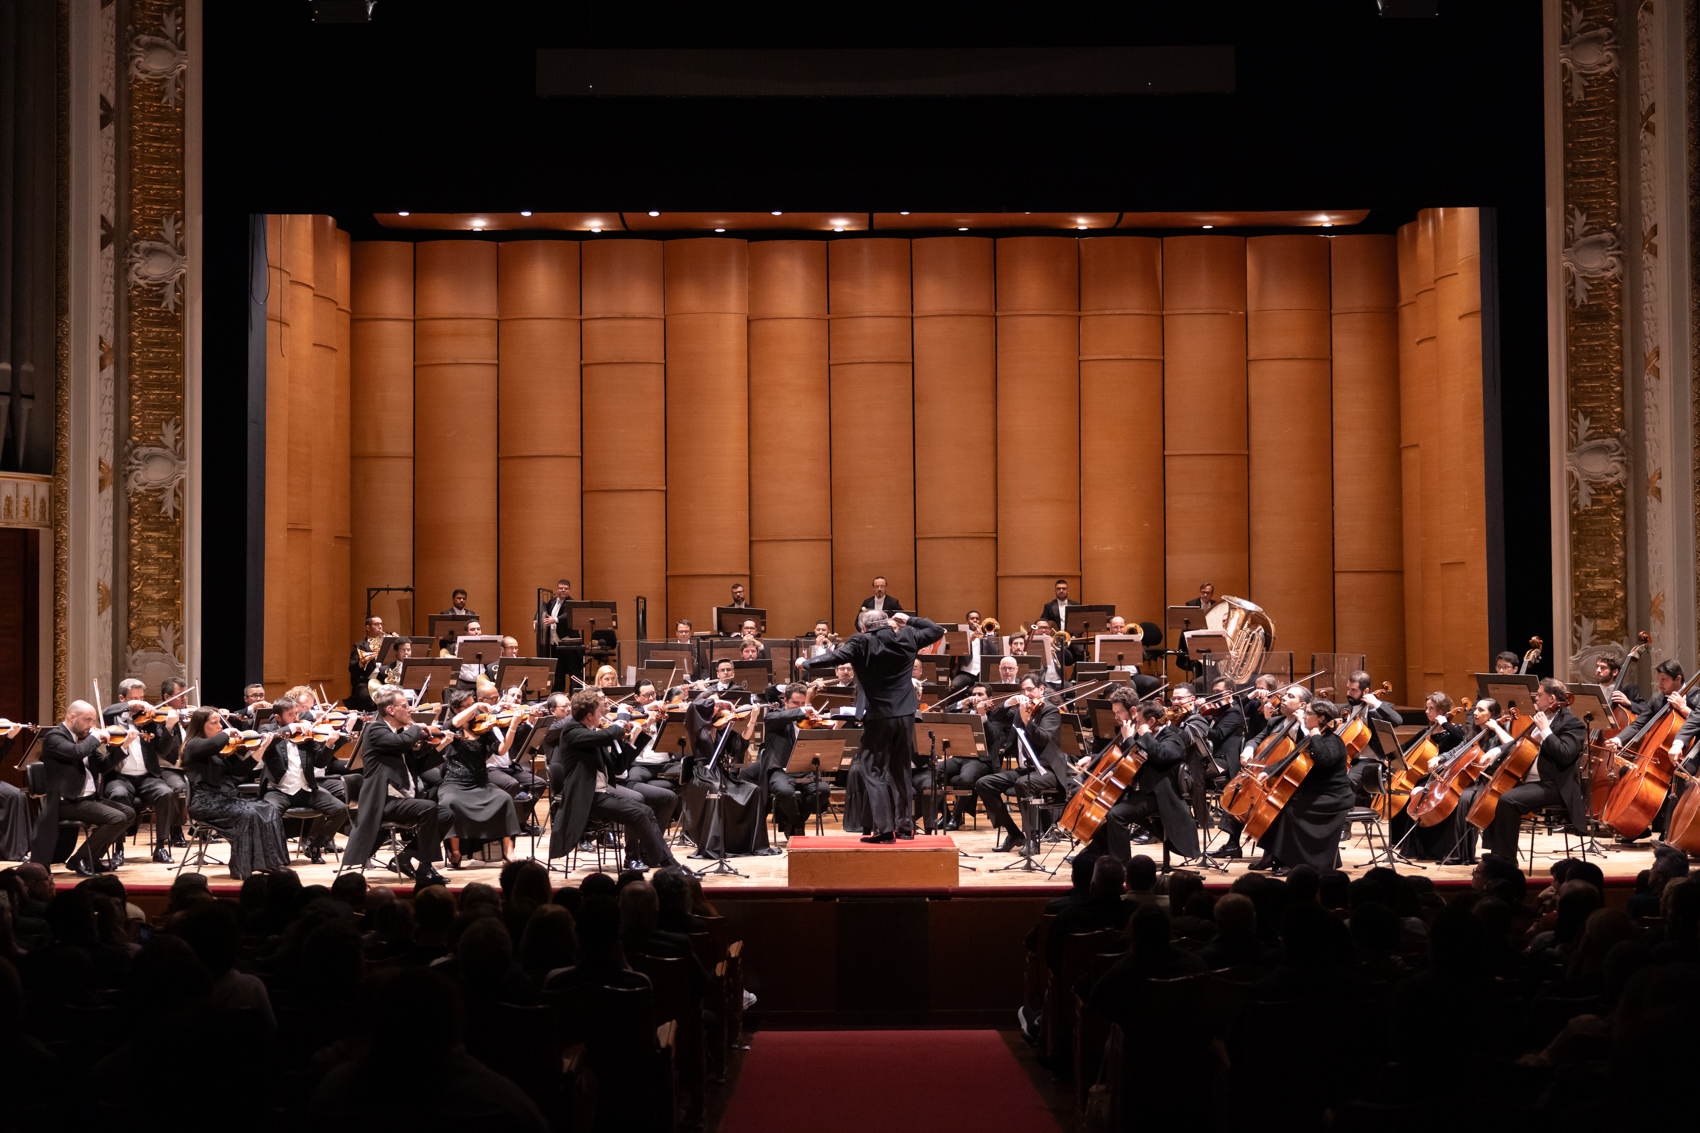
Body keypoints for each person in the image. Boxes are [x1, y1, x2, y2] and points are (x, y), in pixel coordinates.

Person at [797, 607, 943, 842]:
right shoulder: (908, 635)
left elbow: (836, 657)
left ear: (864, 628)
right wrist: (910, 620)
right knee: (901, 770)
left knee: (873, 770)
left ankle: (885, 830)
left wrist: (806, 664)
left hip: (878, 715)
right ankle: (906, 828)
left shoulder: (861, 641)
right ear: (887, 622)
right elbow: (936, 630)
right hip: (906, 714)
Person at [546, 689, 679, 869]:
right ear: (590, 715)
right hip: (586, 799)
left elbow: (618, 767)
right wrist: (618, 724)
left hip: (602, 794)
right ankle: (667, 864)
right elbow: (604, 735)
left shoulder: (592, 732)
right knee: (639, 812)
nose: (602, 716)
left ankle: (662, 861)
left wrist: (633, 741)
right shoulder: (573, 731)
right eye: (599, 713)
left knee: (645, 811)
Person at [341, 686, 448, 886]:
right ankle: (425, 869)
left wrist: (438, 745)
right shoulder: (375, 730)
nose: (410, 710)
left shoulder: (398, 735)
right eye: (405, 706)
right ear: (391, 710)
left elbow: (419, 765)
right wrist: (417, 728)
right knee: (429, 808)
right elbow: (404, 740)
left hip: (399, 799)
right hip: (382, 802)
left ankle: (405, 859)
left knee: (446, 814)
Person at [1479, 679, 1587, 860]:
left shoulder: (1572, 723)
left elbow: (1565, 754)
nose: (1535, 698)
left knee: (1508, 800)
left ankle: (1506, 861)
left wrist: (1546, 731)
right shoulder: (1539, 718)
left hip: (1554, 785)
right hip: (1530, 782)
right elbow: (1519, 743)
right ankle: (1495, 854)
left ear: (1551, 698)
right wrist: (1496, 750)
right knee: (1495, 795)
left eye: (1539, 695)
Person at [178, 707, 291, 880]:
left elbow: (240, 770)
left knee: (268, 809)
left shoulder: (224, 748)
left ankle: (269, 863)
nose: (219, 727)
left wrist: (261, 748)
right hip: (204, 801)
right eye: (214, 723)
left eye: (220, 723)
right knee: (247, 813)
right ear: (201, 725)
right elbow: (213, 744)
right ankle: (240, 869)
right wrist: (228, 732)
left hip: (226, 799)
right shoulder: (193, 745)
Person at [1248, 699, 1354, 874]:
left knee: (1290, 811)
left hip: (1333, 796)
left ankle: (1297, 863)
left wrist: (1315, 737)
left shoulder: (1333, 740)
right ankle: (1272, 856)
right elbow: (1290, 757)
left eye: (1308, 713)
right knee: (1280, 806)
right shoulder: (1313, 738)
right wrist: (1269, 771)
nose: (1304, 716)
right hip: (1316, 793)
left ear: (1321, 718)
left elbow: (1324, 760)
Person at [29, 701, 133, 876]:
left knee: (128, 814)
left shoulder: (84, 739)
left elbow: (102, 767)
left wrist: (123, 746)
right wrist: (94, 738)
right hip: (67, 801)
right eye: (88, 720)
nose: (91, 726)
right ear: (72, 717)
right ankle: (80, 859)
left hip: (88, 799)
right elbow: (76, 752)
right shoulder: (54, 737)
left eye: (92, 721)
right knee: (116, 818)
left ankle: (92, 858)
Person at [973, 674, 1073, 852]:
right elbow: (996, 717)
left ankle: (1033, 839)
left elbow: (1042, 739)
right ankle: (1014, 834)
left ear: (1041, 689)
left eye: (1030, 690)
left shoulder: (1050, 711)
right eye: (1023, 690)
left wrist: (1027, 720)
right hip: (1025, 769)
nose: (1026, 694)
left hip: (1047, 770)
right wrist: (1009, 702)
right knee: (984, 783)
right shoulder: (1021, 709)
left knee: (1023, 783)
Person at [257, 694, 349, 864]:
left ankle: (315, 845)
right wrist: (290, 730)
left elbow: (321, 762)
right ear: (278, 717)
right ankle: (277, 854)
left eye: (297, 714)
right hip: (279, 790)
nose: (296, 718)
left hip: (306, 789)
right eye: (290, 715)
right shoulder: (266, 730)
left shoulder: (306, 735)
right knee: (269, 814)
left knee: (341, 809)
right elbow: (267, 744)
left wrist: (329, 745)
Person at [99, 679, 181, 865]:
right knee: (118, 794)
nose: (141, 703)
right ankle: (118, 849)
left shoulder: (149, 720)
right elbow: (102, 713)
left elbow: (163, 750)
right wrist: (130, 706)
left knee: (166, 793)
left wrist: (169, 726)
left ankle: (160, 848)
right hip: (119, 777)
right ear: (122, 698)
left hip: (147, 777)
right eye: (135, 699)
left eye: (142, 698)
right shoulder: (111, 718)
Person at [437, 692, 523, 867]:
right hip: (455, 783)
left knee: (505, 799)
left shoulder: (483, 727)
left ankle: (509, 850)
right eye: (466, 705)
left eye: (472, 703)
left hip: (481, 783)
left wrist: (513, 725)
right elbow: (452, 723)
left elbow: (501, 749)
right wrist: (476, 705)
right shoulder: (451, 729)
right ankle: (455, 852)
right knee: (449, 802)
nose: (472, 709)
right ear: (455, 709)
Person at [742, 682, 832, 837]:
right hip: (780, 769)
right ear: (785, 701)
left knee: (823, 791)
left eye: (803, 703)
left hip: (804, 769)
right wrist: (801, 710)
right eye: (795, 703)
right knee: (784, 791)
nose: (800, 706)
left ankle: (793, 822)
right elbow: (778, 718)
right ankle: (798, 826)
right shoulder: (773, 715)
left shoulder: (808, 721)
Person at [940, 684, 1007, 830]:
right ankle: (945, 815)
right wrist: (961, 703)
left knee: (966, 778)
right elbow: (945, 713)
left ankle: (956, 818)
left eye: (980, 695)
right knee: (933, 772)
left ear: (989, 698)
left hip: (981, 759)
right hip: (960, 756)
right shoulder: (966, 712)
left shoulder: (995, 715)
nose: (976, 698)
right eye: (974, 694)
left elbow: (992, 737)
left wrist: (982, 715)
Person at [533, 578, 584, 690]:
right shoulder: (552, 602)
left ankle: (575, 698)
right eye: (561, 588)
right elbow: (541, 608)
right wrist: (536, 619)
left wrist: (555, 620)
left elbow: (567, 615)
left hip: (569, 645)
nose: (563, 591)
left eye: (566, 589)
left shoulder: (572, 603)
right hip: (556, 645)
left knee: (573, 673)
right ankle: (557, 698)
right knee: (558, 673)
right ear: (556, 589)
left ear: (569, 590)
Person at [347, 614, 386, 710]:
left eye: (381, 624)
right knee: (364, 695)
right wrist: (361, 663)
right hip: (366, 682)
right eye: (376, 624)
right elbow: (352, 668)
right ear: (368, 627)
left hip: (384, 681)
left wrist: (396, 643)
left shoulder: (387, 644)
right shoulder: (359, 646)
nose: (380, 627)